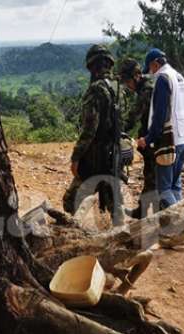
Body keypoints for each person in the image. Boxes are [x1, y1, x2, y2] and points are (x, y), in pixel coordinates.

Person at [63, 44, 125, 226]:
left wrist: (76, 157)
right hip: (115, 154)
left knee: (70, 201)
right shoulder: (119, 88)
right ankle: (120, 238)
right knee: (115, 206)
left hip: (94, 158)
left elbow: (89, 129)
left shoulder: (96, 90)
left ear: (92, 66)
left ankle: (80, 236)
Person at [136, 49, 184, 209]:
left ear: (155, 64)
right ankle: (179, 226)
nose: (151, 73)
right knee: (175, 186)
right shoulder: (178, 77)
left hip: (170, 141)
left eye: (150, 69)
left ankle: (183, 220)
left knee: (164, 188)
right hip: (183, 138)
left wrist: (148, 138)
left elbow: (160, 115)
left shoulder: (163, 79)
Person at [119, 58, 157, 219]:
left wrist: (119, 130)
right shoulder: (147, 83)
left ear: (136, 76)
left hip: (156, 138)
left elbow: (134, 115)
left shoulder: (147, 89)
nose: (128, 86)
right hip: (151, 136)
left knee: (154, 177)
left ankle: (161, 216)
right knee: (150, 175)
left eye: (128, 81)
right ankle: (142, 211)